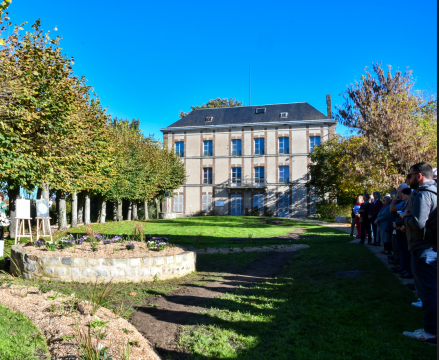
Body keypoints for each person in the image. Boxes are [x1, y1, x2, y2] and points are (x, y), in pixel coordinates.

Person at [401, 162, 437, 342]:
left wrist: (404, 220)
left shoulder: (424, 194)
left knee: (428, 292)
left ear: (419, 176)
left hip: (424, 249)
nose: (409, 179)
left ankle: (430, 332)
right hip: (431, 247)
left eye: (410, 175)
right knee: (432, 290)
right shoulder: (435, 192)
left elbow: (418, 223)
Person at [392, 188, 413, 279]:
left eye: (404, 194)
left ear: (408, 195)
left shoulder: (410, 204)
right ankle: (403, 267)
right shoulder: (406, 204)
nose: (402, 195)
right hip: (401, 228)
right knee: (402, 249)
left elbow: (408, 216)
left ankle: (408, 270)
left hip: (405, 229)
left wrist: (400, 222)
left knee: (406, 251)